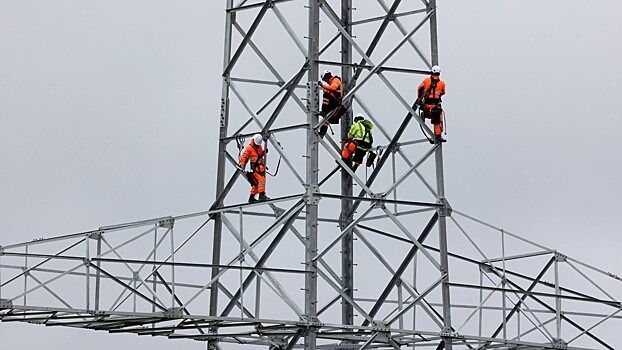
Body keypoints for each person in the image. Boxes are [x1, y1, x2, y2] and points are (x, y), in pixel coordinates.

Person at [417, 65, 446, 142]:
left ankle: (425, 114)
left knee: (433, 115)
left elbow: (419, 88)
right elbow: (443, 92)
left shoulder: (426, 81)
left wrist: (419, 99)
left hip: (426, 105)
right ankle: (438, 135)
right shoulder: (442, 83)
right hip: (435, 105)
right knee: (437, 118)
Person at [239, 134, 269, 203]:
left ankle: (251, 198)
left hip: (260, 167)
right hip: (256, 168)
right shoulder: (249, 148)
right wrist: (242, 164)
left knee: (256, 184)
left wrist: (264, 152)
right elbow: (244, 156)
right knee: (261, 180)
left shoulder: (258, 146)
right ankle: (262, 195)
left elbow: (260, 154)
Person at [318, 70, 344, 138]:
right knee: (327, 119)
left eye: (325, 79)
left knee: (326, 93)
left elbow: (333, 88)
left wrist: (322, 85)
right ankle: (322, 132)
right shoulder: (332, 82)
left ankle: (324, 110)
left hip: (336, 102)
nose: (325, 81)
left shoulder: (335, 80)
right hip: (334, 102)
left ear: (327, 76)